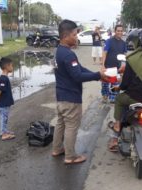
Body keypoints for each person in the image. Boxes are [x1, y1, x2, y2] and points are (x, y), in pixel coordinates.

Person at [52, 19, 107, 164]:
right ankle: (70, 156)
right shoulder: (68, 55)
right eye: (75, 35)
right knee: (71, 126)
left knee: (61, 123)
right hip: (71, 98)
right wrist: (98, 75)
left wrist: (97, 76)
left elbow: (79, 69)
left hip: (61, 96)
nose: (77, 37)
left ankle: (57, 149)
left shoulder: (59, 51)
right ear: (66, 36)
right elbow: (77, 76)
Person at [101, 24, 127, 103]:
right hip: (108, 67)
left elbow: (125, 55)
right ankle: (105, 95)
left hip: (117, 68)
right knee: (105, 84)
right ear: (115, 31)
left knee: (115, 84)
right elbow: (104, 53)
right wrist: (102, 65)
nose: (119, 32)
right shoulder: (109, 41)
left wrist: (123, 65)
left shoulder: (123, 43)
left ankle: (112, 98)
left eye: (121, 31)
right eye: (118, 31)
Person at [0, 57, 15, 141]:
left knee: (5, 117)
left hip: (5, 102)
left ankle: (5, 131)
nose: (12, 67)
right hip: (3, 103)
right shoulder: (3, 78)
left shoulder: (4, 78)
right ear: (7, 67)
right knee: (3, 118)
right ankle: (3, 134)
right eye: (12, 66)